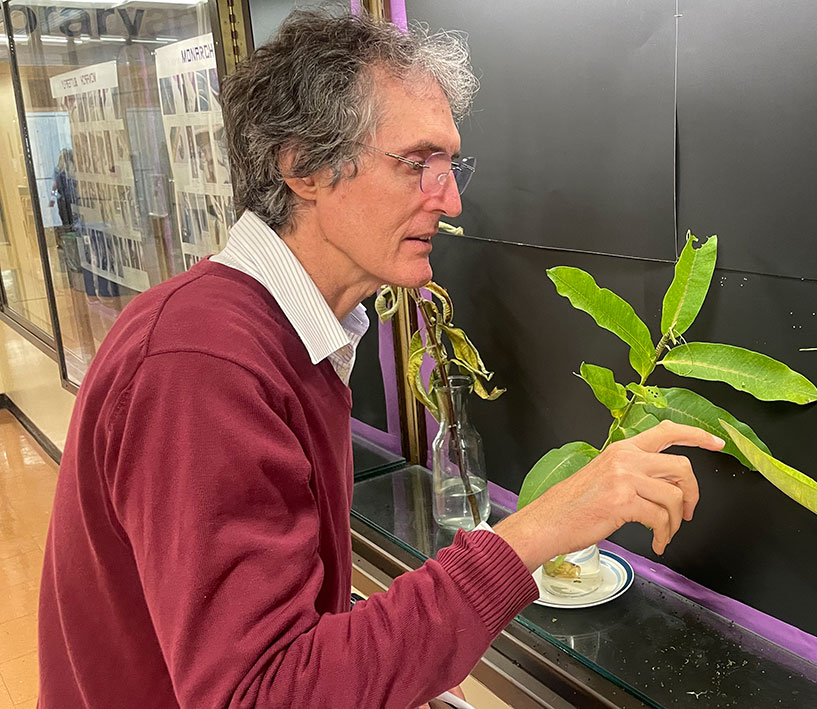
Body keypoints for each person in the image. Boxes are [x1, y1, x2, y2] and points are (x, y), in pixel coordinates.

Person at [38, 11, 723, 708]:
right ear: (303, 165)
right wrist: (535, 531)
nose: (449, 198)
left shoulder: (287, 335)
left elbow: (292, 634)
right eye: (416, 163)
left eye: (451, 164)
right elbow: (263, 692)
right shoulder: (201, 365)